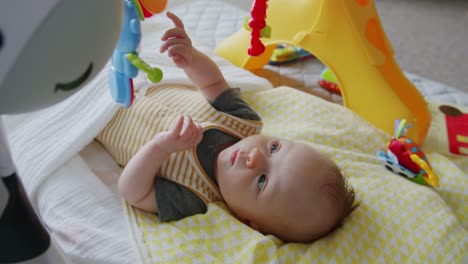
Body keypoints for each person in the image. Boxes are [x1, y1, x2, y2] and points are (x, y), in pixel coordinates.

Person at [116, 12, 357, 243]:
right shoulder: (242, 122)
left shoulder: (195, 197)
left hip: (107, 113)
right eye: (274, 147)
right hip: (145, 77)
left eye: (262, 181)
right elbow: (212, 82)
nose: (255, 156)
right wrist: (191, 58)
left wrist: (160, 147)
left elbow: (133, 192)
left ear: (248, 220)